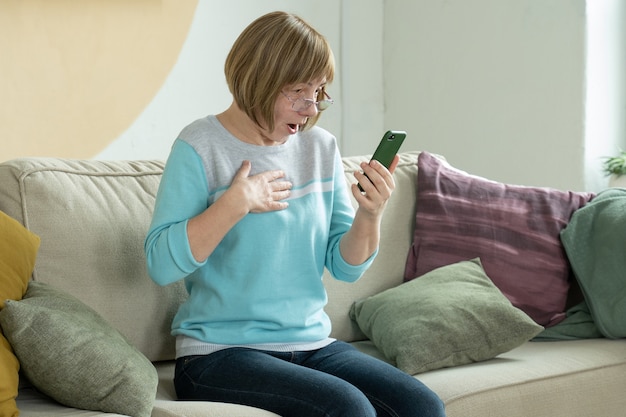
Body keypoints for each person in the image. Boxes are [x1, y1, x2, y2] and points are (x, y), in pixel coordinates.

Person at [144, 10, 446, 417]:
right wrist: (234, 205)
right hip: (218, 354)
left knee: (421, 405)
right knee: (349, 409)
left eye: (319, 91)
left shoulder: (319, 148)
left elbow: (345, 266)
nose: (310, 107)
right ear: (257, 80)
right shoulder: (200, 146)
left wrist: (370, 214)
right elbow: (160, 264)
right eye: (297, 91)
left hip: (312, 344)